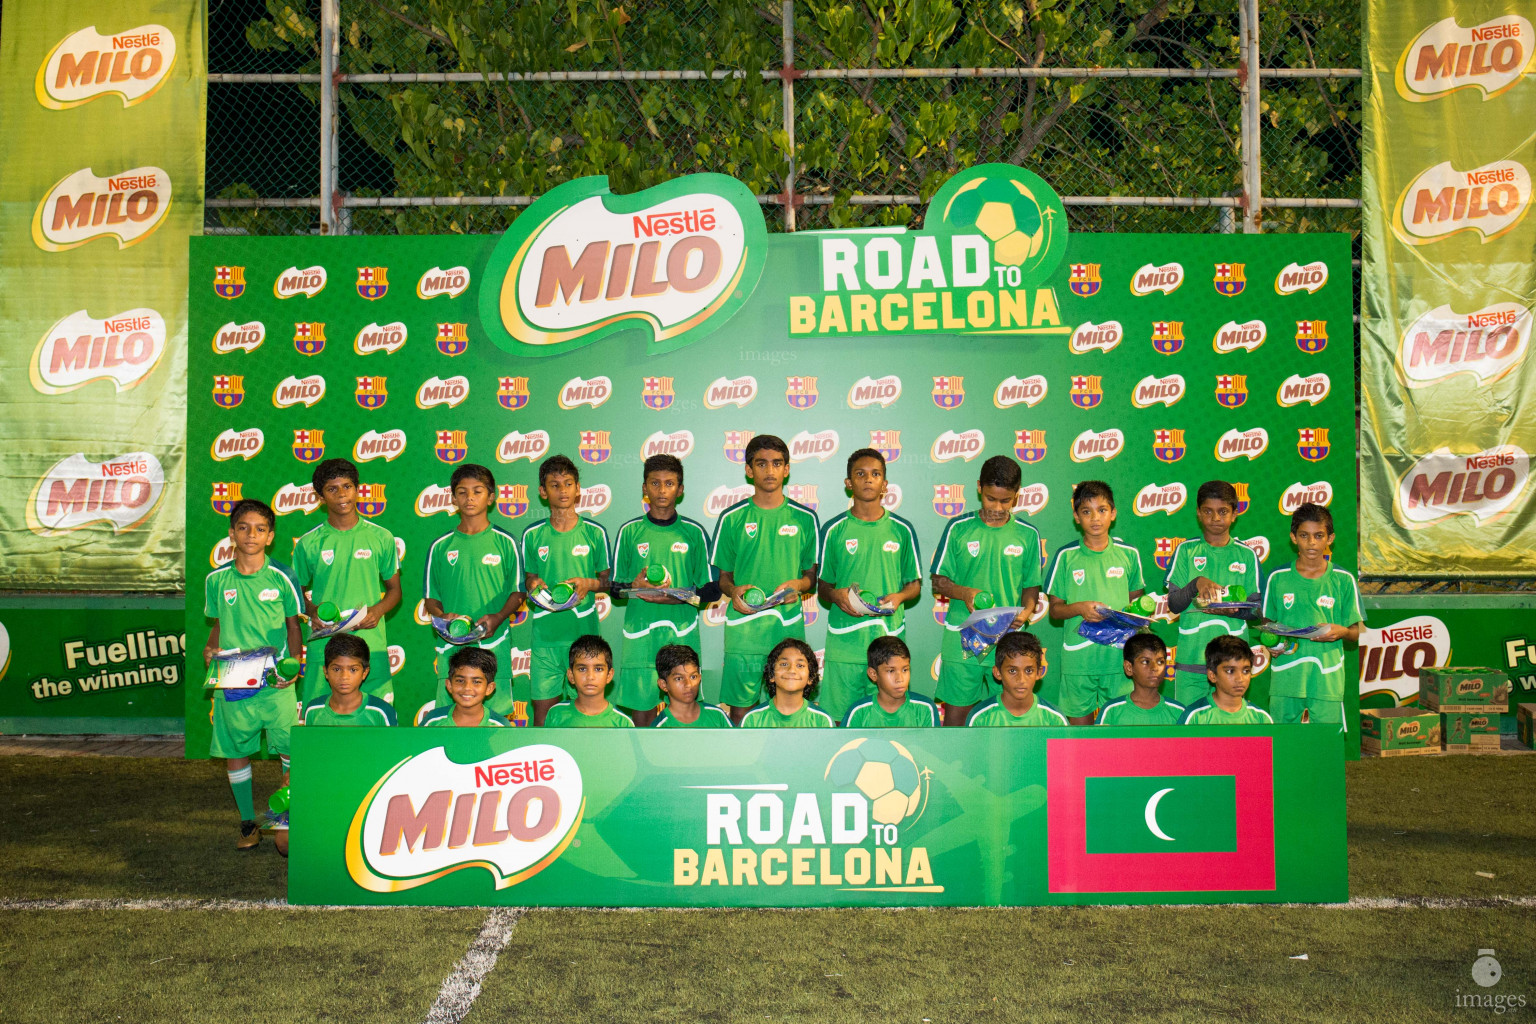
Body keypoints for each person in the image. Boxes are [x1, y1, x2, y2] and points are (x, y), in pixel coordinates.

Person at [202, 498, 305, 850]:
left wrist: (294, 667)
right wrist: (208, 648)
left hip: (276, 680)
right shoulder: (216, 580)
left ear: (271, 536)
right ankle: (247, 822)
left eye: (260, 529)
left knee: (291, 748)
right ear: (232, 533)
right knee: (236, 750)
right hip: (232, 679)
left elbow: (294, 627)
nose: (251, 534)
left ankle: (290, 813)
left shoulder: (282, 576)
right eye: (243, 527)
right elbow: (218, 626)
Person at [712, 435, 820, 724]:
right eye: (761, 464)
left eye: (776, 464)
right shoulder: (731, 517)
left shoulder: (805, 518)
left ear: (786, 469)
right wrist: (733, 591)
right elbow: (722, 578)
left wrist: (798, 585)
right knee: (740, 706)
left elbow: (812, 577)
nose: (769, 471)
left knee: (792, 704)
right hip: (744, 629)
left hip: (786, 627)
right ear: (749, 470)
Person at [929, 455, 1044, 726]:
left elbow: (1031, 586)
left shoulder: (1028, 534)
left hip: (1008, 640)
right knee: (957, 716)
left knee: (1007, 718)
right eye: (991, 498)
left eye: (1006, 501)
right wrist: (965, 593)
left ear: (1017, 495)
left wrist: (1027, 610)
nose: (997, 507)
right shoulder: (958, 528)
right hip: (963, 638)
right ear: (979, 487)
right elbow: (937, 582)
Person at [816, 448, 922, 723]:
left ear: (885, 484)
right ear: (848, 483)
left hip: (889, 639)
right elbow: (822, 587)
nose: (868, 480)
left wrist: (899, 596)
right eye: (860, 474)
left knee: (888, 718)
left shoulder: (902, 528)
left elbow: (915, 585)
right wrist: (836, 595)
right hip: (845, 640)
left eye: (875, 474)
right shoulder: (833, 529)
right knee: (839, 718)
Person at [611, 454, 717, 725]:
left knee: (684, 709)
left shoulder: (693, 532)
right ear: (644, 488)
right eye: (654, 483)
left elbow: (711, 591)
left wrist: (676, 597)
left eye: (669, 483)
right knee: (642, 710)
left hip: (680, 633)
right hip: (641, 634)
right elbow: (615, 588)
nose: (661, 490)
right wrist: (634, 587)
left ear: (680, 490)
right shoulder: (629, 531)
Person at [292, 457, 401, 703]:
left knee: (376, 719)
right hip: (324, 646)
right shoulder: (309, 543)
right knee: (320, 720)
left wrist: (377, 610)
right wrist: (312, 612)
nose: (341, 494)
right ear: (320, 496)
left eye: (347, 486)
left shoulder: (381, 538)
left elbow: (395, 591)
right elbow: (295, 594)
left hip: (370, 644)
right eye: (332, 489)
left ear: (357, 489)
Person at [420, 463, 524, 720]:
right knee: (447, 715)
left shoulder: (506, 542)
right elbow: (431, 599)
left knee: (496, 717)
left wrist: (498, 618)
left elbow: (518, 592)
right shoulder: (441, 546)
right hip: (451, 644)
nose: (469, 498)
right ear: (453, 498)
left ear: (491, 497)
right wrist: (443, 617)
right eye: (462, 492)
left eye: (477, 491)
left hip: (494, 642)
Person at [1044, 480, 1146, 725]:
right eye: (1087, 512)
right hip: (1079, 661)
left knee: (1120, 738)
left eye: (1102, 510)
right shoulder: (1065, 556)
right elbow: (1055, 611)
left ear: (1113, 513)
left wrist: (1134, 617)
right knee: (1080, 739)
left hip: (1119, 659)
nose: (1095, 518)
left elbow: (1138, 604)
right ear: (1077, 517)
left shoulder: (1129, 554)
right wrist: (1080, 608)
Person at [521, 455, 611, 725]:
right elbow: (529, 580)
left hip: (584, 639)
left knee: (586, 713)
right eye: (554, 485)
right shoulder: (532, 535)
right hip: (545, 638)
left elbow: (608, 582)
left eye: (568, 484)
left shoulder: (594, 532)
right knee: (543, 715)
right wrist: (532, 585)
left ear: (578, 488)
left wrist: (589, 583)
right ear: (542, 491)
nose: (562, 491)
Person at [1262, 503, 1364, 728]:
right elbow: (1267, 624)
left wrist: (1343, 631)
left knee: (1326, 744)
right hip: (1287, 676)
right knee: (1281, 744)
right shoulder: (1277, 578)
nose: (1311, 543)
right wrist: (1273, 643)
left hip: (1326, 677)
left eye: (1319, 536)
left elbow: (1356, 633)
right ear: (1293, 537)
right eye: (1304, 535)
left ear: (1330, 538)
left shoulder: (1343, 579)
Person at [1163, 480, 1263, 707]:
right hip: (1191, 660)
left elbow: (1256, 610)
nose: (1216, 518)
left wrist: (1232, 611)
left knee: (1229, 734)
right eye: (1208, 511)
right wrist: (1196, 583)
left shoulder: (1246, 555)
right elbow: (1174, 604)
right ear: (1199, 513)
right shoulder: (1185, 551)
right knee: (1189, 734)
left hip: (1232, 666)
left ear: (1235, 514)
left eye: (1223, 512)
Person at [966, 631, 1068, 726]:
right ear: (997, 672)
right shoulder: (981, 718)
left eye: (1029, 671)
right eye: (1012, 671)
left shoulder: (1054, 720)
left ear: (1039, 673)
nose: (1021, 680)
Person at [299, 634, 398, 725]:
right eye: (337, 669)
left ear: (364, 673)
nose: (344, 677)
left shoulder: (381, 711)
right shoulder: (313, 710)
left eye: (353, 670)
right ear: (326, 672)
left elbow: (392, 744)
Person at [841, 636, 939, 728]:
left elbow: (933, 745)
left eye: (905, 670)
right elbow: (846, 746)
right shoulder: (859, 712)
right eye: (891, 671)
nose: (900, 679)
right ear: (873, 674)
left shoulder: (925, 708)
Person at [739, 638, 835, 728]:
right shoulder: (752, 720)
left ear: (810, 678)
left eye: (800, 665)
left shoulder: (822, 721)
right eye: (784, 664)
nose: (792, 670)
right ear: (771, 675)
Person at [1179, 634, 1274, 725]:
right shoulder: (1194, 717)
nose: (1240, 679)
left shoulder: (1261, 719)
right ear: (1212, 675)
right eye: (1230, 671)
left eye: (1246, 671)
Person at [543, 634, 634, 728]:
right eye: (582, 669)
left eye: (598, 669)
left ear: (609, 675)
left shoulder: (623, 724)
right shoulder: (555, 715)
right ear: (571, 675)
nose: (590, 676)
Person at [1095, 632, 1185, 725]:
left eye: (1160, 662)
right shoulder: (1111, 711)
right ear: (1129, 667)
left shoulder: (1179, 712)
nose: (1154, 668)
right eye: (1146, 662)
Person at [418, 647, 512, 727]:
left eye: (476, 682)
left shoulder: (500, 726)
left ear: (489, 688)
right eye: (460, 681)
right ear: (449, 685)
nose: (467, 687)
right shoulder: (432, 721)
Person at [651, 644, 733, 728]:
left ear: (699, 678)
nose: (688, 684)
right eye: (679, 678)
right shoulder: (659, 728)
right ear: (663, 684)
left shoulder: (718, 716)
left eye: (693, 677)